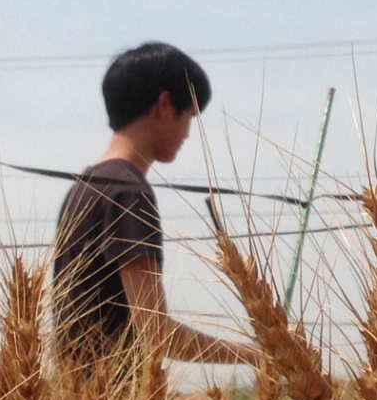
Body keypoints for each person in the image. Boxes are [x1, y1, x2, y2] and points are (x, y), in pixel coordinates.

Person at [52, 42, 257, 371]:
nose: (189, 133)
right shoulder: (128, 194)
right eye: (190, 115)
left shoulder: (85, 187)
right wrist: (254, 356)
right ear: (164, 104)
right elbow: (156, 333)